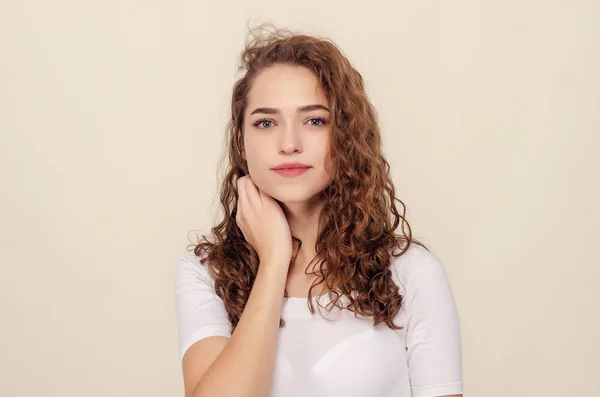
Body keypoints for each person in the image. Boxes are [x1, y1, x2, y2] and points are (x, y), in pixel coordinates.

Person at [174, 23, 462, 397]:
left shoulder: (411, 273)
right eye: (265, 122)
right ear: (242, 143)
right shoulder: (204, 273)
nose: (289, 143)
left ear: (345, 136)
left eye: (314, 120)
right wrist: (275, 259)